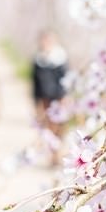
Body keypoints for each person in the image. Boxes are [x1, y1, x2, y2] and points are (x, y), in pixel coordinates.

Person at [31, 30, 68, 165]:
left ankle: (56, 153)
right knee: (48, 127)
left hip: (58, 97)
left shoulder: (60, 58)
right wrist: (36, 102)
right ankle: (51, 154)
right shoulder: (38, 60)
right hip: (45, 99)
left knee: (59, 126)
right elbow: (35, 83)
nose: (46, 43)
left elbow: (65, 79)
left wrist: (64, 97)